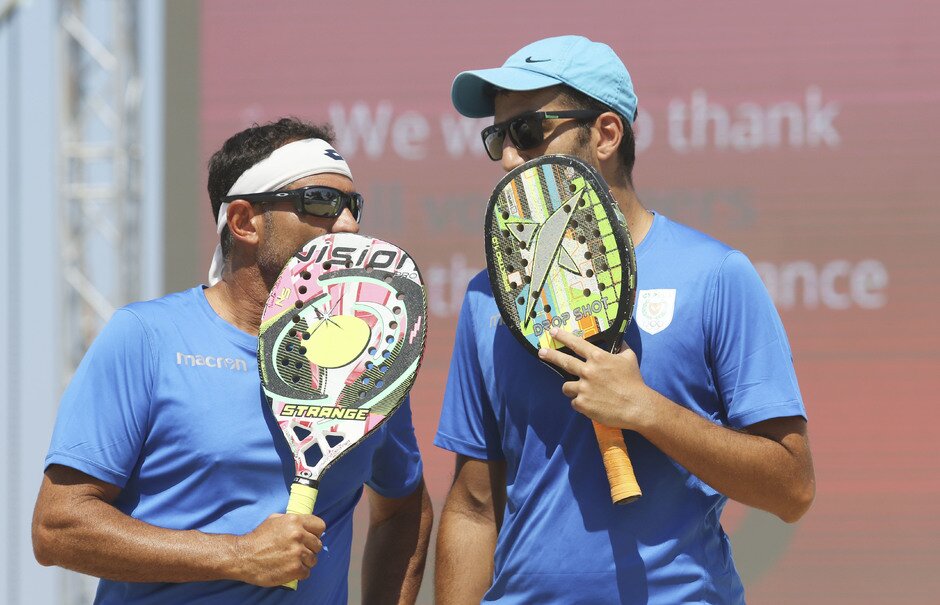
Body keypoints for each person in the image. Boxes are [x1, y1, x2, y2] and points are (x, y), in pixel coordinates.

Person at [434, 35, 815, 604]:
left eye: (528, 132)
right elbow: (473, 507)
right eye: (497, 138)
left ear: (606, 133)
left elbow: (792, 488)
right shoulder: (486, 299)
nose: (510, 157)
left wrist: (647, 410)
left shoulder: (717, 276)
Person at [32, 117, 433, 604]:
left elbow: (402, 507)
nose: (347, 225)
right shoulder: (146, 338)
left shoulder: (372, 356)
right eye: (321, 203)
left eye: (353, 206)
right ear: (244, 222)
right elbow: (58, 528)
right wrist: (237, 555)